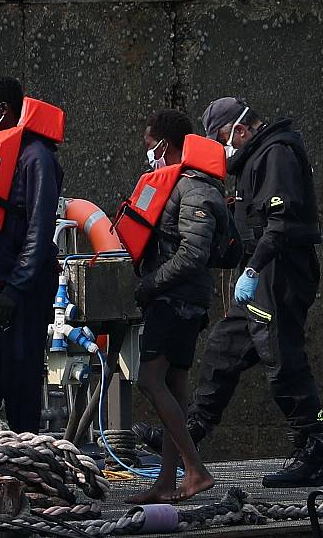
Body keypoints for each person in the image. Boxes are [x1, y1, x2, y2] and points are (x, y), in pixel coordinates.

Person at [135, 98, 323, 488]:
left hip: (280, 269)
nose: (221, 148)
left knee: (281, 353)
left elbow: (279, 223)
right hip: (260, 268)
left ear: (239, 130)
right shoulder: (254, 160)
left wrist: (253, 268)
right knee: (224, 347)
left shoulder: (277, 154)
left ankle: (311, 451)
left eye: (221, 138)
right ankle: (189, 435)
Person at [127, 110, 224, 503]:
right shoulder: (179, 184)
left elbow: (193, 254)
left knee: (149, 380)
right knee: (174, 385)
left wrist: (150, 285)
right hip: (179, 301)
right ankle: (168, 482)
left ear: (166, 144)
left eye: (151, 147)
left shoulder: (195, 188)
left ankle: (195, 470)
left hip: (177, 301)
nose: (149, 155)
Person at [0, 77, 64, 432]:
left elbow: (39, 227)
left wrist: (16, 288)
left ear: (3, 110)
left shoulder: (37, 158)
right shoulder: (2, 153)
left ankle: (25, 465)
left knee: (20, 377)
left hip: (24, 286)